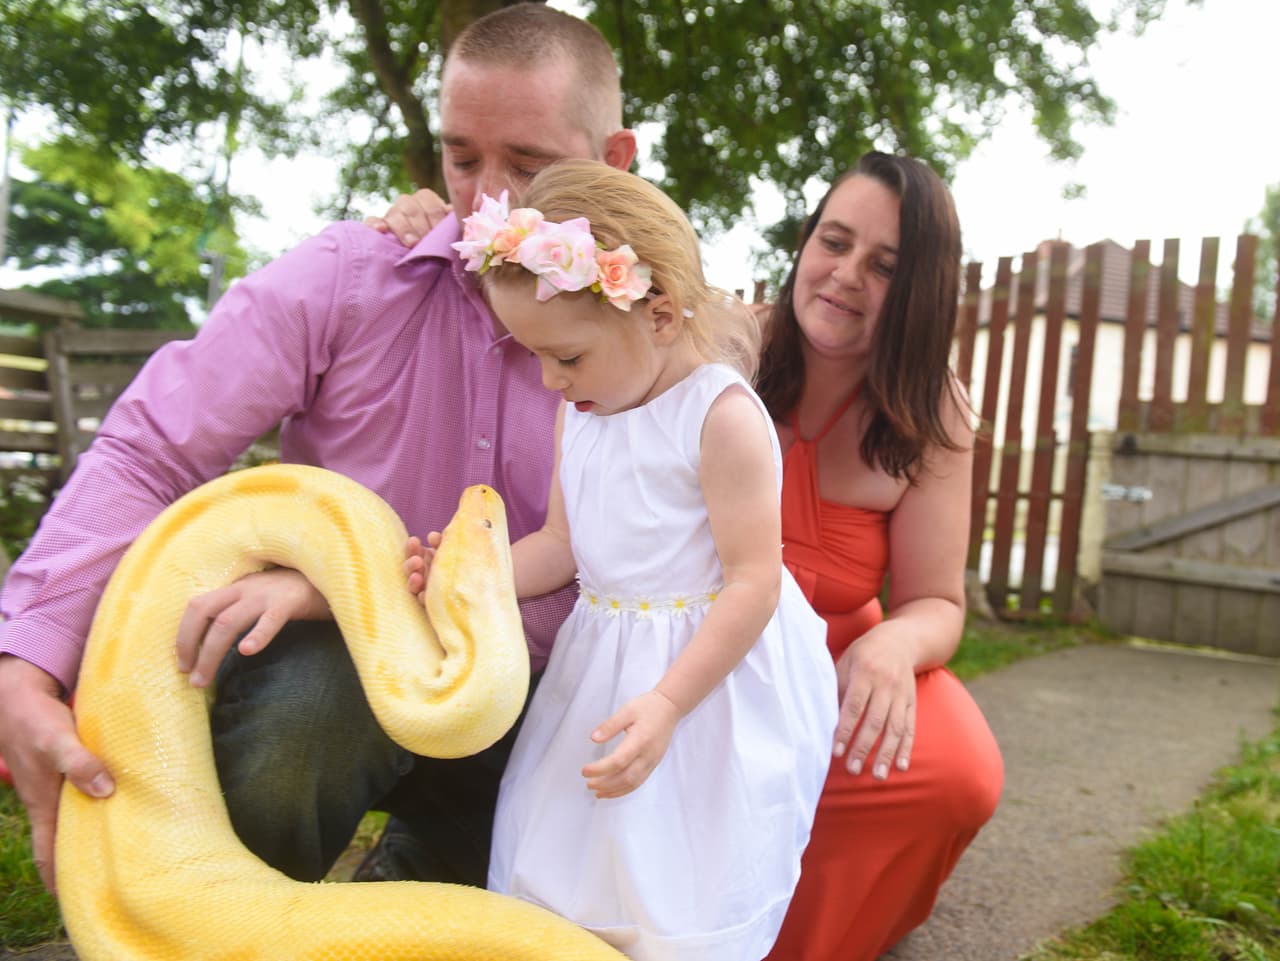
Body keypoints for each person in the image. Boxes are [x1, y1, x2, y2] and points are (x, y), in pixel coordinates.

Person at [0, 3, 637, 895]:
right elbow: (153, 451)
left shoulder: (651, 335)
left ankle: (414, 882)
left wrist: (359, 588)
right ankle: (206, 922)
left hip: (548, 689)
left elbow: (645, 557)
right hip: (328, 666)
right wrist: (24, 663)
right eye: (462, 159)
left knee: (518, 889)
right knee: (302, 728)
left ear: (614, 161)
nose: (486, 200)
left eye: (528, 165)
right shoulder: (347, 275)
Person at [379, 149, 1003, 961]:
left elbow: (782, 583)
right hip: (613, 652)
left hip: (756, 660)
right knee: (575, 842)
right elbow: (563, 543)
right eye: (834, 241)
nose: (846, 274)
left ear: (922, 287)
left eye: (884, 264)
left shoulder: (737, 404)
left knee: (704, 859)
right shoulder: (657, 360)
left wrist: (890, 644)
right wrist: (474, 576)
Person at [405, 158, 837, 961]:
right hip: (599, 670)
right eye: (536, 356)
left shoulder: (719, 417)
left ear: (660, 314)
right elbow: (561, 547)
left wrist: (669, 702)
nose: (549, 379)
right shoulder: (582, 411)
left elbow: (754, 580)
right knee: (566, 870)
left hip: (705, 685)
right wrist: (473, 578)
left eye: (567, 357)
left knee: (673, 885)